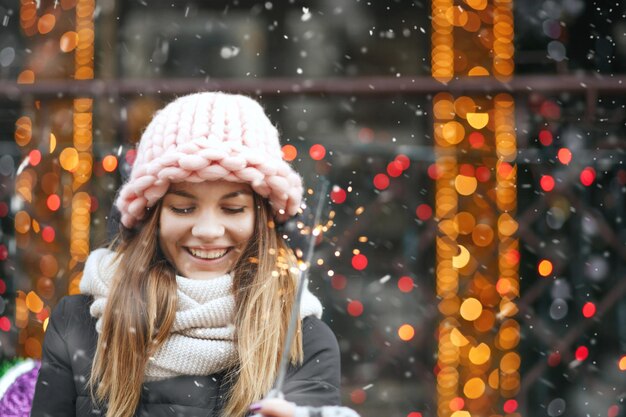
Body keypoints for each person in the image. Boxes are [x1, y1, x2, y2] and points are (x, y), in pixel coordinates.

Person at [30, 92, 359, 417]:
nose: (208, 230)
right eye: (183, 207)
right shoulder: (78, 324)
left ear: (263, 219)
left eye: (232, 208)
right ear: (151, 216)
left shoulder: (303, 340)